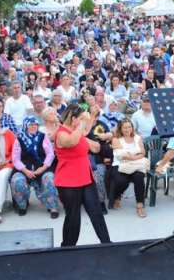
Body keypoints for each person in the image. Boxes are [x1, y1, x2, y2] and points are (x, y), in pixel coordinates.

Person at [54, 103, 110, 247]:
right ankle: (67, 247)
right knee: (73, 217)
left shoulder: (76, 130)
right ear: (73, 119)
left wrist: (91, 117)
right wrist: (83, 124)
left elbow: (85, 132)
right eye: (79, 119)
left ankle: (107, 243)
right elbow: (72, 141)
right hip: (69, 180)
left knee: (96, 212)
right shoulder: (61, 133)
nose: (81, 121)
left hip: (85, 176)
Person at [10, 116, 59, 218]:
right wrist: (25, 171)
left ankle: (52, 206)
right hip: (24, 168)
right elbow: (15, 159)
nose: (33, 127)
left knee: (49, 178)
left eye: (35, 124)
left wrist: (44, 167)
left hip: (42, 166)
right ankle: (23, 205)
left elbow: (50, 154)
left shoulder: (43, 137)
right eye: (31, 124)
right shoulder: (19, 139)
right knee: (17, 180)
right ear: (26, 126)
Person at [110, 119, 147, 218]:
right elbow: (118, 155)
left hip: (136, 163)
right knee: (122, 182)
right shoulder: (116, 139)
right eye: (125, 127)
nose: (128, 129)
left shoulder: (137, 138)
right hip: (120, 164)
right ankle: (116, 196)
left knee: (139, 178)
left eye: (129, 127)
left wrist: (131, 156)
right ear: (120, 129)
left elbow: (143, 153)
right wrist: (136, 151)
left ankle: (140, 205)